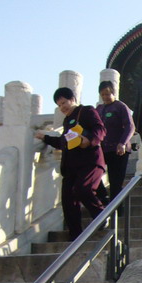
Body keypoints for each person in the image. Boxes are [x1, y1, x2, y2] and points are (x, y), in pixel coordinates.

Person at [34, 87, 106, 240]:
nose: (62, 107)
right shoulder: (67, 120)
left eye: (64, 102)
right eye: (59, 105)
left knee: (83, 189)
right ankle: (75, 236)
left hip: (90, 162)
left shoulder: (86, 111)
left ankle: (101, 216)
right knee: (67, 201)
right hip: (71, 167)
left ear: (72, 99)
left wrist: (90, 140)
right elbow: (64, 142)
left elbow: (100, 129)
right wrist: (45, 138)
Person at [96, 80, 135, 200]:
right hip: (103, 149)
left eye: (107, 94)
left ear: (113, 93)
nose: (105, 97)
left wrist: (122, 143)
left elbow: (130, 126)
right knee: (94, 175)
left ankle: (118, 211)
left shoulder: (120, 106)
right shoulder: (99, 109)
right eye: (102, 94)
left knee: (115, 182)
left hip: (119, 150)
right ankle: (103, 198)